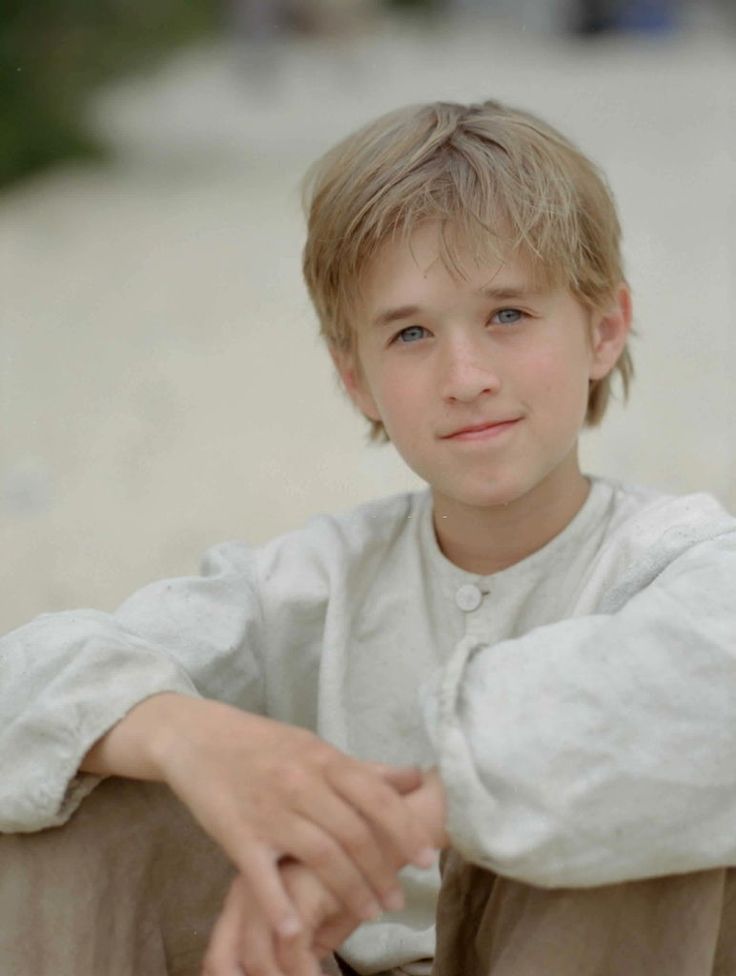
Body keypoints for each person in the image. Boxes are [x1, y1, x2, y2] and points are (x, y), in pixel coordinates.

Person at [1, 99, 735, 976]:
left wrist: (419, 814)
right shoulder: (313, 583)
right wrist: (186, 740)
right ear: (357, 378)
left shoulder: (675, 557)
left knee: (634, 802)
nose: (466, 378)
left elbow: (705, 682)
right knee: (72, 789)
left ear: (604, 330)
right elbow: (30, 682)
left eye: (508, 315)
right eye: (412, 333)